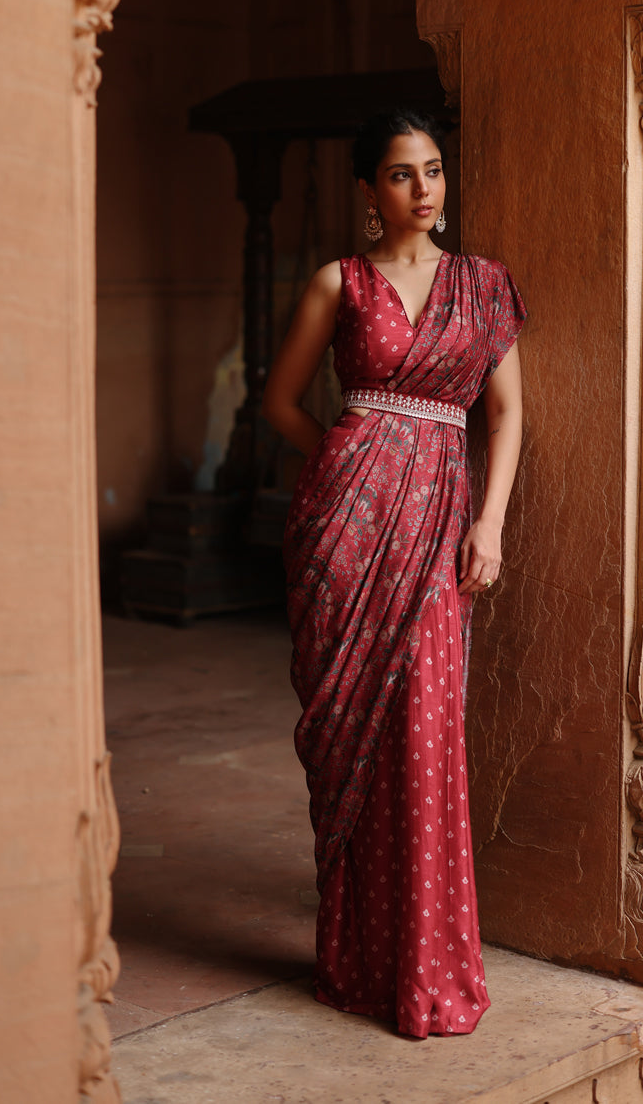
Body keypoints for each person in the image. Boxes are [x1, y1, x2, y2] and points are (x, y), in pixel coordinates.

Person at [261, 110, 526, 1038]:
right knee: (353, 748)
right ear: (370, 192)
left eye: (435, 171)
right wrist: (344, 458)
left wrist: (487, 523)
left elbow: (506, 416)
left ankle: (427, 966)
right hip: (346, 535)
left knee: (423, 737)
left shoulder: (483, 286)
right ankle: (357, 961)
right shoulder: (340, 282)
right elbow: (282, 400)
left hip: (438, 538)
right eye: (403, 175)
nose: (425, 189)